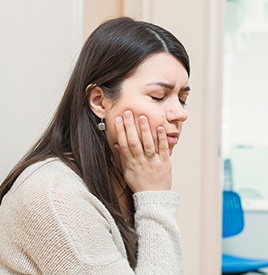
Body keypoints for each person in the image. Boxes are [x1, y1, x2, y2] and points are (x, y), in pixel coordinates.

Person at [0, 16, 190, 274]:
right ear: (99, 101)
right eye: (158, 97)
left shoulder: (123, 180)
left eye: (182, 99)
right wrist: (156, 198)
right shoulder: (55, 195)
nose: (180, 114)